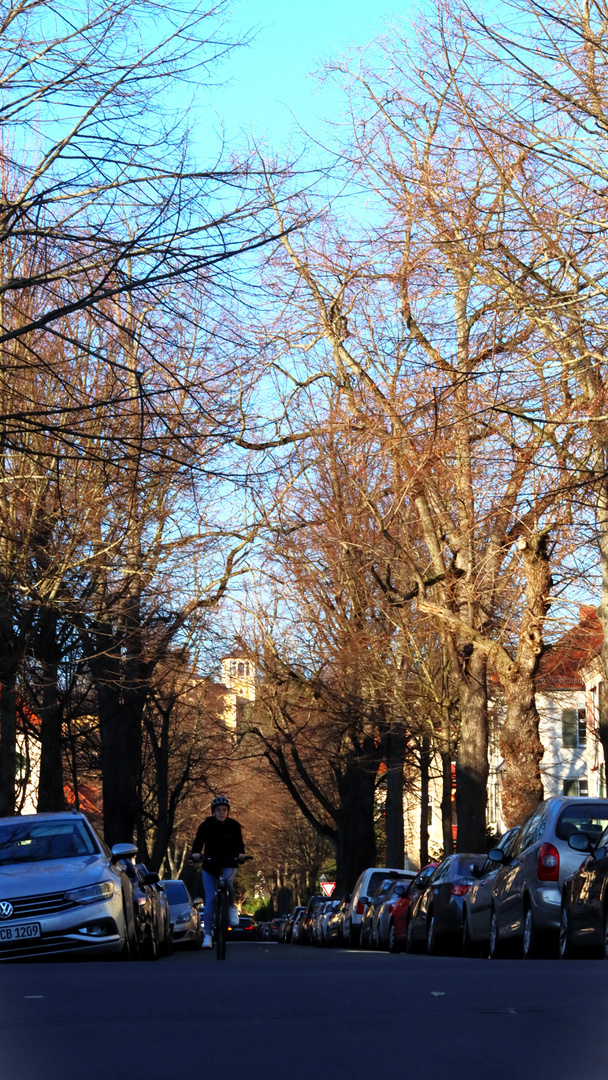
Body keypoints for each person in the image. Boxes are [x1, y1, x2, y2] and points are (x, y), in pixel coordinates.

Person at [191, 795, 246, 948]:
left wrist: (241, 854)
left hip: (229, 862)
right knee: (209, 900)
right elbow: (198, 843)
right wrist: (195, 853)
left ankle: (231, 907)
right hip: (210, 864)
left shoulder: (234, 826)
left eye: (224, 810)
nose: (222, 812)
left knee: (227, 881)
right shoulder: (205, 826)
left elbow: (239, 843)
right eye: (218, 810)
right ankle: (208, 936)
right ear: (213, 812)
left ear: (228, 811)